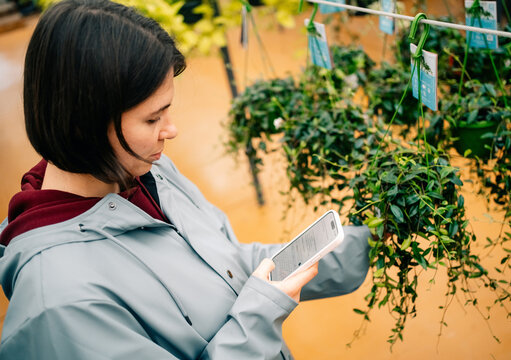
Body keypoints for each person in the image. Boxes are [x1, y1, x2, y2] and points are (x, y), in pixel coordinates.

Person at [0, 0, 371, 358]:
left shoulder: (144, 170)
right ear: (85, 124)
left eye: (168, 111)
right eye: (152, 119)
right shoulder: (60, 307)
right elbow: (253, 293)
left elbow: (230, 264)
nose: (171, 130)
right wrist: (259, 315)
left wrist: (371, 242)